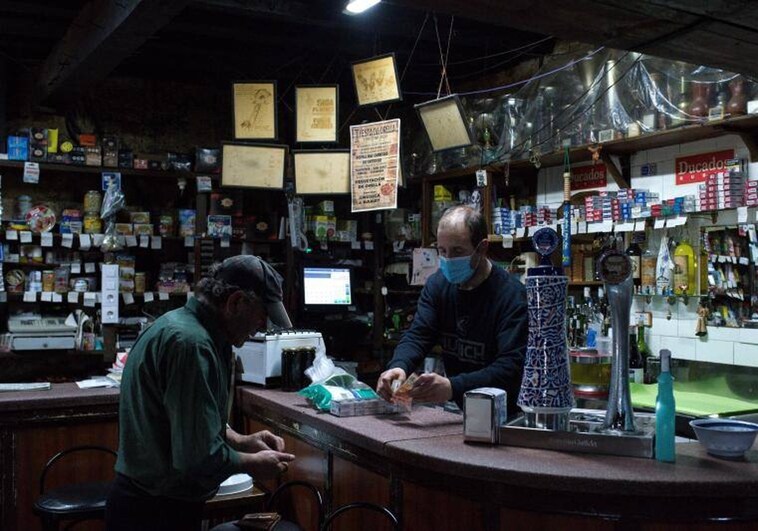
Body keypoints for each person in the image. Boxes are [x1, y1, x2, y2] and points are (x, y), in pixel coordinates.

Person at [106, 255, 295, 531]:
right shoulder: (192, 345)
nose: (262, 327)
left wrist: (242, 440)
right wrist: (252, 463)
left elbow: (190, 419)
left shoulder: (189, 329)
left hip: (155, 503)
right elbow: (196, 457)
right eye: (262, 315)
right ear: (236, 302)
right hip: (154, 512)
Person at [377, 205, 528, 414]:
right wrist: (399, 366)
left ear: (482, 248)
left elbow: (510, 368)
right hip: (462, 409)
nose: (448, 259)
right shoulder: (437, 285)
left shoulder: (512, 296)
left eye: (457, 251)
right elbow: (419, 335)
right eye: (442, 251)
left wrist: (453, 387)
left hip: (506, 414)